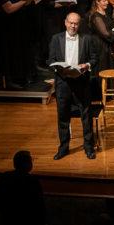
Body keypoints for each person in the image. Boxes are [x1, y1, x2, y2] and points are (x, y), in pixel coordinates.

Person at [47, 12, 99, 160]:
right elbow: (50, 60)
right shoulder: (56, 39)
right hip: (63, 83)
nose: (73, 26)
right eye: (71, 23)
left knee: (86, 115)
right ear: (65, 22)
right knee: (63, 116)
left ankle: (89, 147)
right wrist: (58, 68)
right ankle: (63, 148)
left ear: (79, 24)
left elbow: (94, 58)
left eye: (76, 23)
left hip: (81, 82)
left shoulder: (86, 39)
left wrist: (86, 65)